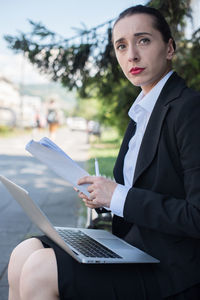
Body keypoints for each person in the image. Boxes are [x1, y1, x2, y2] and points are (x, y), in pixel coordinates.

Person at [7, 5, 200, 300]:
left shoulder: (188, 109)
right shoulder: (142, 112)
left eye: (143, 40)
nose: (131, 55)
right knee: (24, 252)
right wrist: (103, 197)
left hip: (172, 267)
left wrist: (118, 196)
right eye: (121, 46)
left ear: (170, 48)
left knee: (39, 270)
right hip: (133, 246)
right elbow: (146, 191)